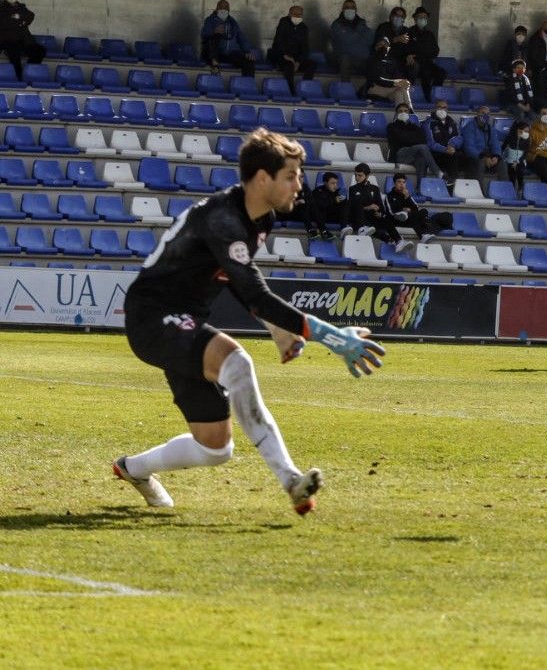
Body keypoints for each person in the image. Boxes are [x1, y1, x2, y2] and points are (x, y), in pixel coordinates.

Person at [113, 129, 385, 516]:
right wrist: (333, 336)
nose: (299, 185)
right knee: (237, 362)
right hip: (152, 317)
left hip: (183, 323)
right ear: (262, 179)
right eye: (290, 176)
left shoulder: (262, 218)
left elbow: (240, 281)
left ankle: (132, 469)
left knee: (215, 448)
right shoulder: (223, 219)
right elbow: (255, 293)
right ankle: (291, 480)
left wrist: (278, 329)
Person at [347, 163, 407, 251]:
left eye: (360, 175)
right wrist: (368, 207)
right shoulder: (352, 189)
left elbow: (380, 205)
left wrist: (380, 213)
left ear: (367, 176)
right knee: (370, 227)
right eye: (355, 175)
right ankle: (388, 239)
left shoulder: (375, 189)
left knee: (386, 220)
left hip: (372, 217)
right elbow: (352, 207)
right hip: (359, 219)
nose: (357, 178)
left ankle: (398, 241)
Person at [268, 5, 317, 96]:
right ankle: (291, 92)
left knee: (312, 64)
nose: (298, 16)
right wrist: (287, 57)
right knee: (289, 65)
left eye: (300, 15)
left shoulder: (303, 28)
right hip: (281, 55)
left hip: (295, 58)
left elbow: (305, 48)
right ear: (289, 14)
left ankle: (305, 88)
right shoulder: (283, 22)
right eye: (295, 14)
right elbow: (278, 42)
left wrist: (298, 62)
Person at [0, 0, 44, 82]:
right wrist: (18, 20)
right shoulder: (2, 8)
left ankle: (28, 71)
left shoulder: (21, 7)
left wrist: (20, 19)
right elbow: (5, 21)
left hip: (23, 40)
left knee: (40, 51)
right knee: (14, 55)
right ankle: (19, 78)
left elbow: (30, 15)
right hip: (8, 40)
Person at [386, 102, 441, 179]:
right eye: (400, 111)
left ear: (409, 113)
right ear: (396, 113)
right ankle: (438, 173)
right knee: (422, 147)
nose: (403, 113)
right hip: (398, 155)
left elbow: (422, 140)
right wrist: (413, 139)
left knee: (422, 160)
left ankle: (420, 188)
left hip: (413, 155)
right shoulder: (391, 126)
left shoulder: (414, 127)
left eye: (405, 111)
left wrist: (407, 138)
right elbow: (400, 139)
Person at [200, 0, 255, 77]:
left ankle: (247, 85)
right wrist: (214, 31)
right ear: (216, 8)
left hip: (231, 53)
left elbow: (241, 37)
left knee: (249, 62)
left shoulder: (232, 22)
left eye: (226, 7)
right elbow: (204, 35)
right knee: (215, 37)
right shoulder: (210, 20)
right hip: (216, 53)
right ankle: (214, 64)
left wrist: (247, 51)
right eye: (221, 7)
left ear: (229, 10)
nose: (223, 9)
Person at [385, 172, 441, 244]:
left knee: (423, 211)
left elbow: (416, 208)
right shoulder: (389, 195)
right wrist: (403, 209)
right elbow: (391, 211)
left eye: (404, 182)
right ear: (394, 183)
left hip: (409, 219)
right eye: (399, 182)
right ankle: (423, 235)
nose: (402, 184)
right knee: (411, 215)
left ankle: (425, 233)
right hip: (397, 220)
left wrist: (407, 197)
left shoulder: (406, 194)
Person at [462, 103, 507, 191]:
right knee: (480, 162)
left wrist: (496, 156)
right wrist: (483, 157)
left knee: (502, 162)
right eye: (482, 113)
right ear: (477, 114)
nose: (485, 115)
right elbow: (469, 148)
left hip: (487, 157)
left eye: (487, 114)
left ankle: (504, 191)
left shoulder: (491, 129)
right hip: (473, 157)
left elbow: (495, 144)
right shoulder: (469, 127)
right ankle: (480, 192)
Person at [404, 7, 444, 102]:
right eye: (420, 17)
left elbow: (435, 50)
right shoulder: (409, 32)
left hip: (427, 62)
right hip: (415, 63)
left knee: (442, 73)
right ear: (415, 19)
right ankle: (424, 98)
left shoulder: (430, 34)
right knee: (426, 74)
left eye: (424, 17)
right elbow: (407, 49)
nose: (422, 19)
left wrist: (421, 53)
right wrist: (421, 53)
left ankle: (435, 95)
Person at [329, 0, 374, 82]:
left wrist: (358, 40)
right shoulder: (336, 25)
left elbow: (370, 40)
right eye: (347, 7)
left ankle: (369, 91)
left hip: (360, 59)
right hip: (341, 59)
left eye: (352, 7)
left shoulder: (362, 23)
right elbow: (345, 43)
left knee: (374, 63)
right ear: (342, 9)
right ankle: (345, 90)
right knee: (345, 59)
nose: (350, 9)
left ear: (356, 10)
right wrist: (359, 38)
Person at [424, 100, 468, 179]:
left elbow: (459, 138)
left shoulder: (452, 122)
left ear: (447, 110)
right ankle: (453, 183)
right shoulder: (429, 123)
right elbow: (430, 143)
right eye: (439, 107)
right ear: (434, 109)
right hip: (436, 154)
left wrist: (452, 145)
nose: (442, 109)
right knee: (452, 157)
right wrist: (445, 149)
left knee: (468, 157)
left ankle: (467, 186)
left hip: (451, 151)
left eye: (444, 108)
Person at [365, 37, 413, 107]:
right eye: (380, 45)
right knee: (402, 87)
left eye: (385, 45)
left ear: (389, 48)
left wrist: (403, 82)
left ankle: (402, 116)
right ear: (376, 47)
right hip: (375, 88)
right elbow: (377, 79)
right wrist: (396, 82)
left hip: (390, 89)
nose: (383, 47)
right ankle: (411, 111)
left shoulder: (392, 61)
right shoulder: (371, 60)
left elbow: (397, 76)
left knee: (399, 93)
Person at [304, 171, 347, 240]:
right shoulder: (318, 191)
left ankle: (344, 228)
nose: (335, 186)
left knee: (346, 202)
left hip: (334, 217)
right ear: (325, 183)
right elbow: (319, 206)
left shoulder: (337, 192)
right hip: (322, 218)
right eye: (332, 183)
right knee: (313, 204)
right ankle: (323, 231)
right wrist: (334, 200)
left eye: (336, 183)